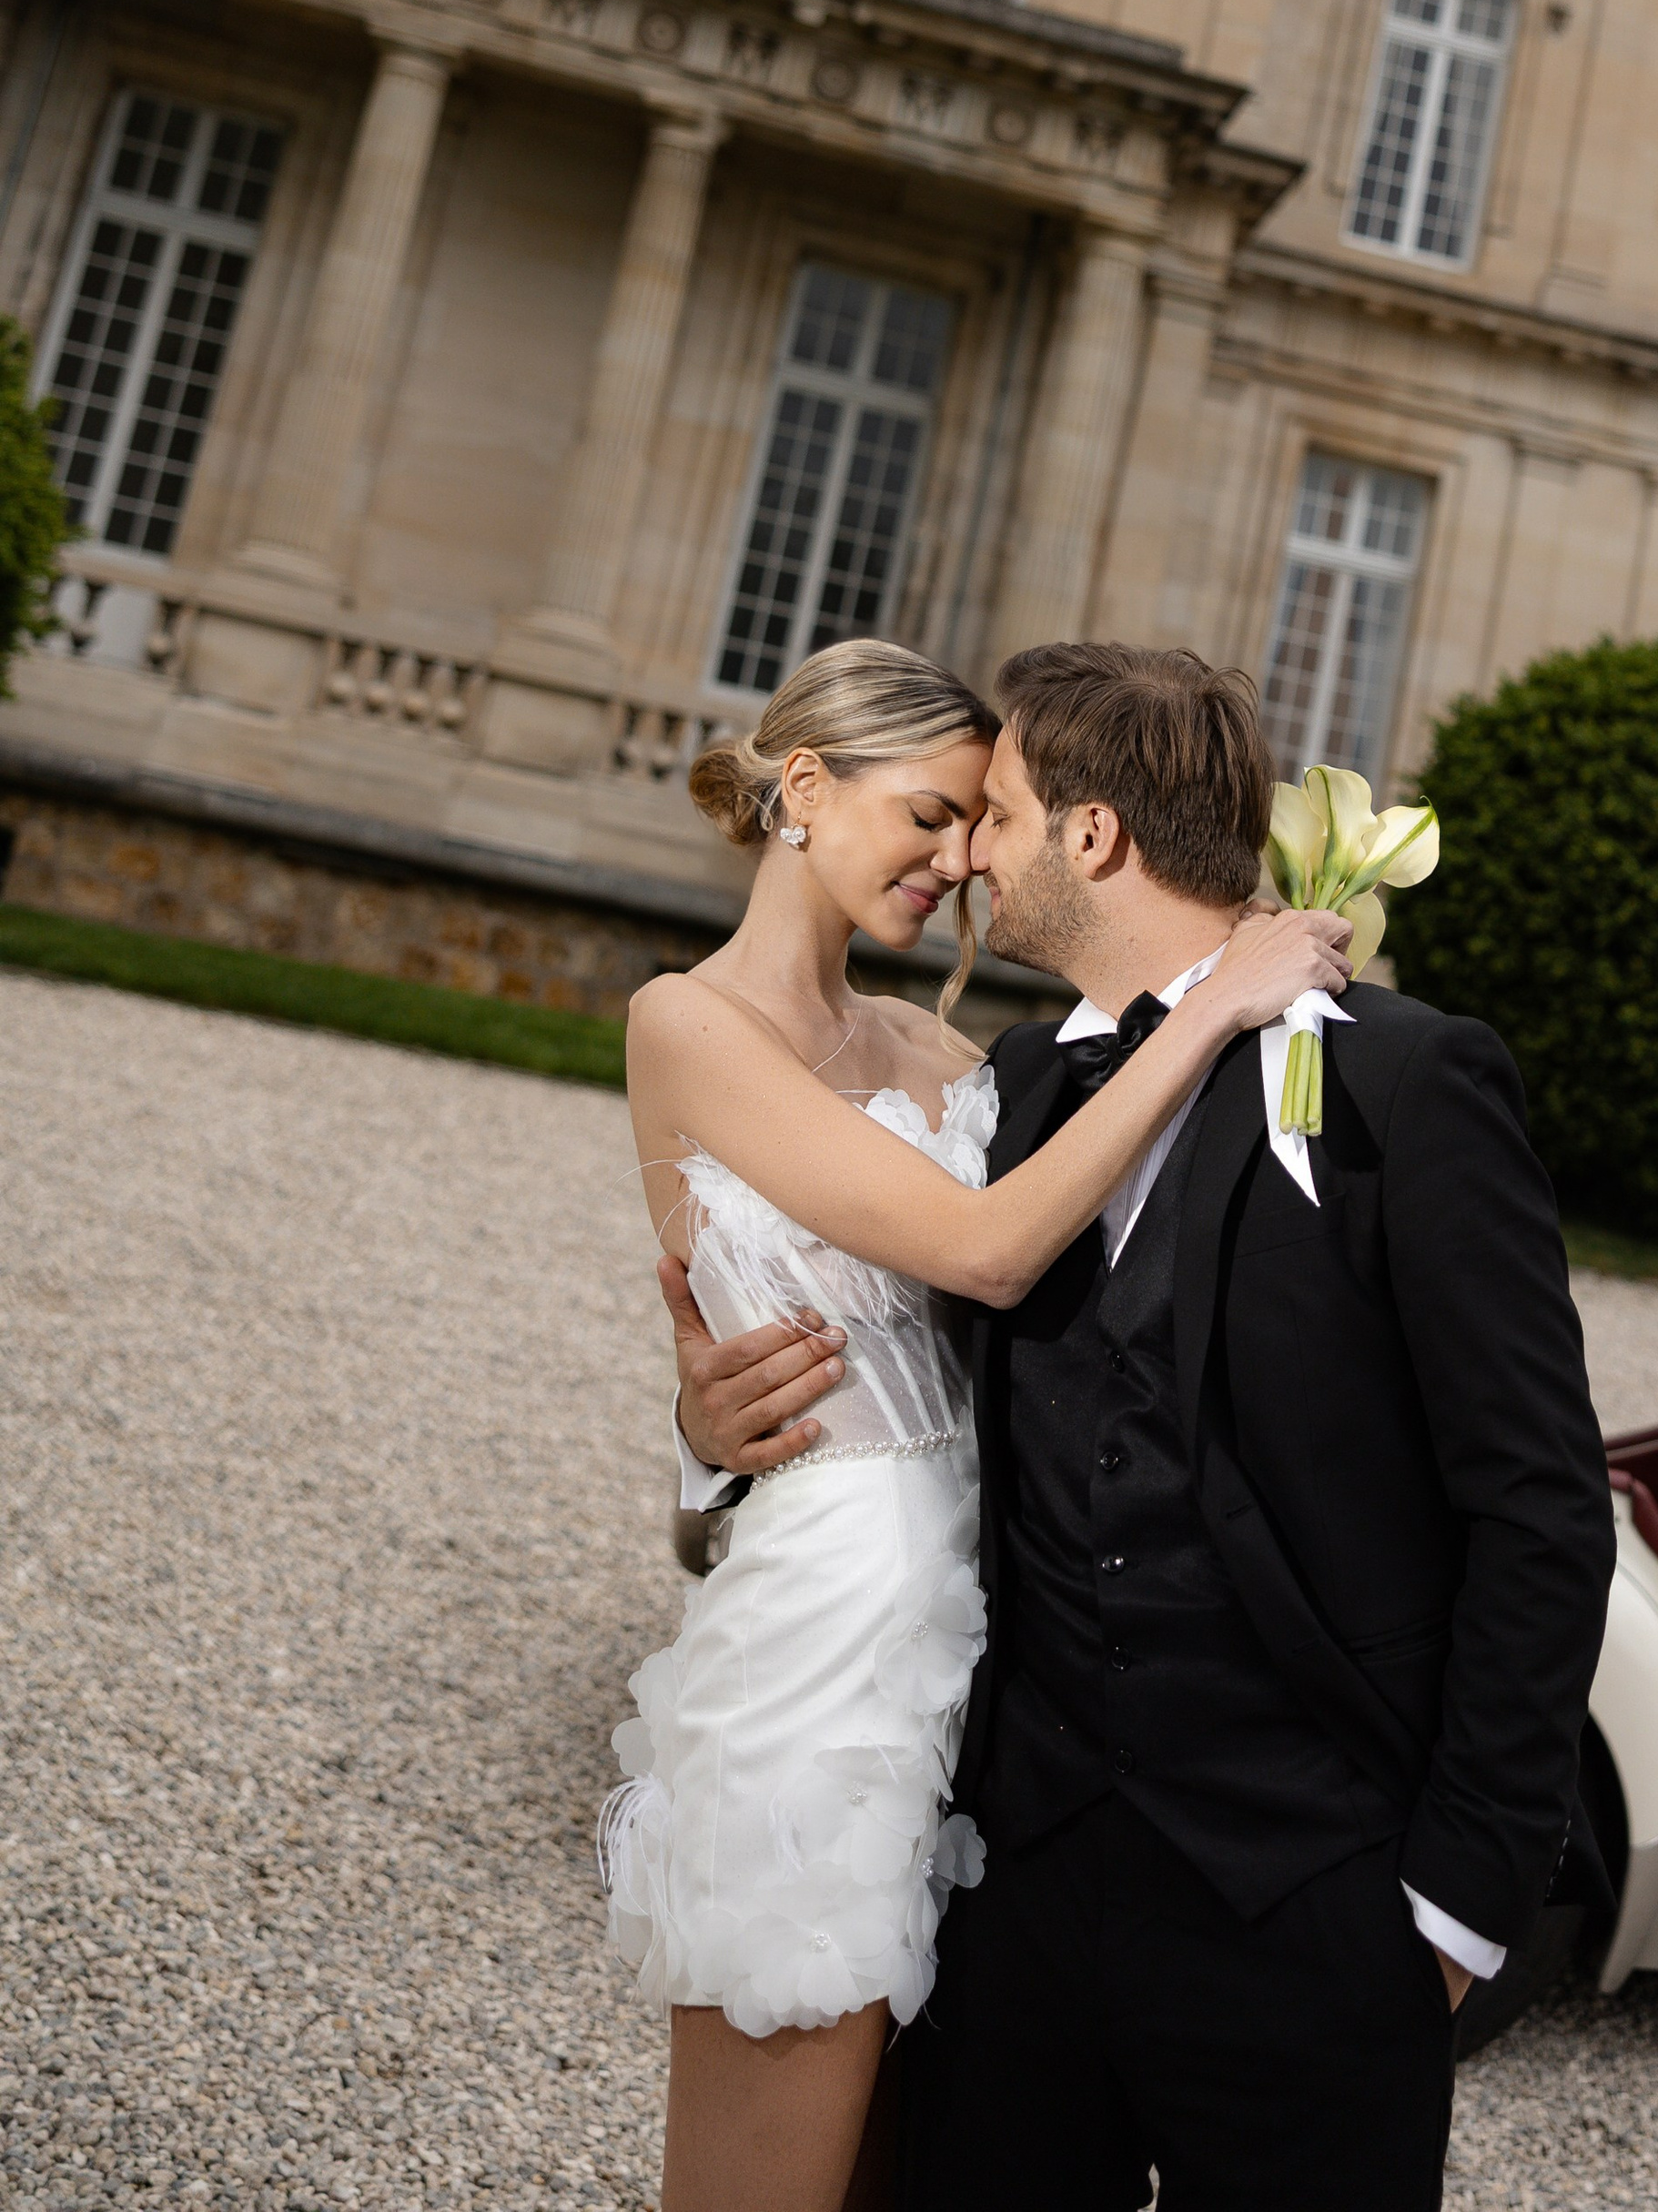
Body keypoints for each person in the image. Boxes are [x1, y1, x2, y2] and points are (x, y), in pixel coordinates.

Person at [676, 640, 1615, 2212]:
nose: (967, 853)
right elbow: (905, 1354)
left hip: (1314, 1900)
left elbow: (1541, 1508)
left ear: (1091, 838)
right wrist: (718, 1413)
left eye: (1000, 814)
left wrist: (1459, 1905)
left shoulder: (1407, 1085)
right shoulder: (1020, 1090)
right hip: (1020, 1893)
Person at [602, 636, 1352, 2212]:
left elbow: (1050, 1321)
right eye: (929, 816)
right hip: (824, 1647)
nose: (956, 861)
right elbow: (986, 1250)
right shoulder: (685, 1024)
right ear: (803, 788)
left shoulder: (952, 1056)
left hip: (991, 1666)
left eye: (975, 823)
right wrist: (1212, 1013)